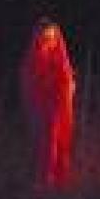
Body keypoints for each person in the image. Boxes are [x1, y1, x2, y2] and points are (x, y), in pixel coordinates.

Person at [19, 17, 76, 189]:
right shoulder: (32, 61)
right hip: (41, 113)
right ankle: (41, 184)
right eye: (45, 39)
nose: (49, 43)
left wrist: (68, 86)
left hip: (60, 113)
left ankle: (59, 184)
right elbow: (29, 85)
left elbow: (67, 81)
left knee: (61, 146)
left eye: (52, 39)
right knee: (43, 148)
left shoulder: (60, 60)